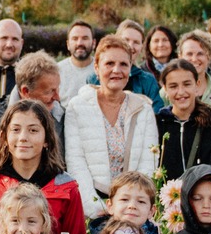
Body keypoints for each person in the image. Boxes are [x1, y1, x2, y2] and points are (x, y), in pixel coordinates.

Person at [0, 97, 88, 234]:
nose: (23, 137)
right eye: (16, 130)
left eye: (33, 130)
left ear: (47, 139)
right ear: (4, 137)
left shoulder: (66, 187)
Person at [63, 36, 160, 218]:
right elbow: (76, 163)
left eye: (123, 64)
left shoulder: (143, 109)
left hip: (133, 211)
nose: (117, 70)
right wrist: (98, 209)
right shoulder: (77, 107)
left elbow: (149, 163)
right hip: (92, 209)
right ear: (97, 68)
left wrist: (130, 208)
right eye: (109, 64)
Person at [156, 59, 211, 183]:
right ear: (165, 89)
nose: (181, 92)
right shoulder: (156, 126)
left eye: (187, 84)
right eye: (173, 86)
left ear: (197, 85)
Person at [0, 51, 60, 155]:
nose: (57, 97)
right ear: (26, 91)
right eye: (49, 91)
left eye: (57, 89)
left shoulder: (59, 115)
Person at [57, 21, 99, 102]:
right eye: (75, 39)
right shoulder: (57, 71)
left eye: (85, 38)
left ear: (93, 43)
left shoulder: (103, 70)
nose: (80, 43)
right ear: (68, 44)